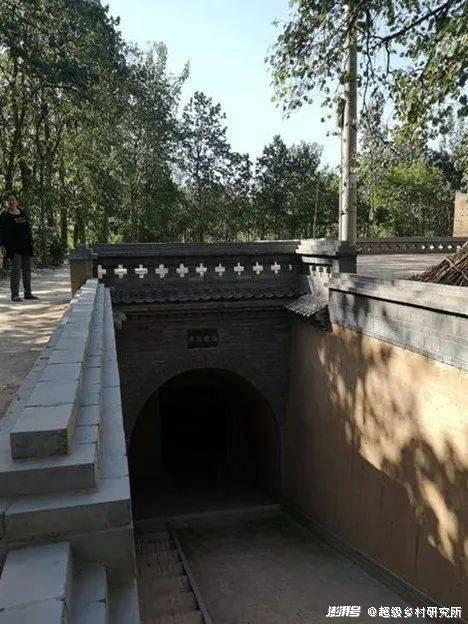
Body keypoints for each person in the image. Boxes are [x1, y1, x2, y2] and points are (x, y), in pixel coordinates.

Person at [0, 191, 38, 302]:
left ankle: (28, 293)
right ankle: (15, 295)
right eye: (9, 200)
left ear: (17, 201)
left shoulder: (22, 212)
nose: (11, 202)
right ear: (6, 202)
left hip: (26, 246)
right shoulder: (4, 215)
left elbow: (28, 228)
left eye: (13, 199)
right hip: (13, 247)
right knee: (16, 270)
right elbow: (1, 231)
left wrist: (31, 243)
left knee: (27, 270)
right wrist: (1, 245)